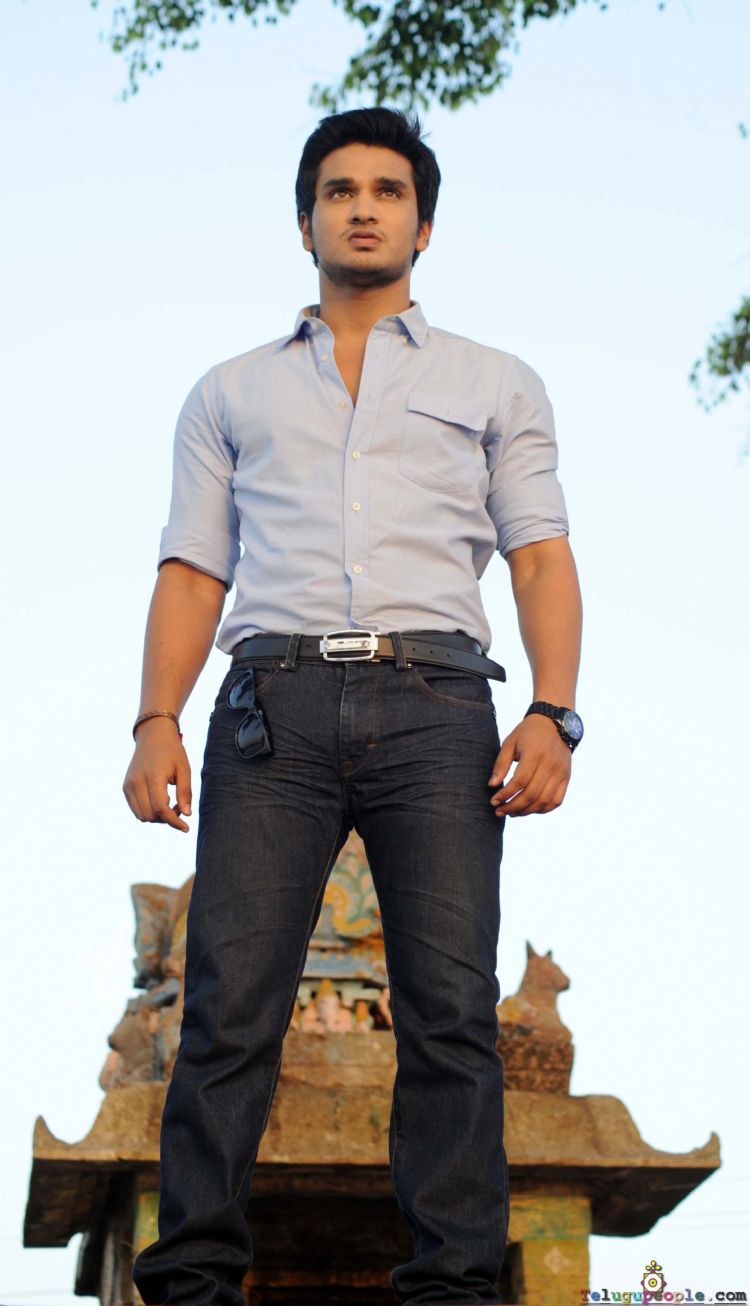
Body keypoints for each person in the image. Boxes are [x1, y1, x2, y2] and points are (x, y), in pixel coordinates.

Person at [125, 106, 583, 1306]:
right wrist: (156, 718)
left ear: (424, 227)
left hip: (438, 703)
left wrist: (555, 711)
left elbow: (539, 554)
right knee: (228, 1008)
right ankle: (192, 1282)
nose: (364, 208)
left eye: (388, 191)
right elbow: (193, 565)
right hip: (268, 708)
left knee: (451, 1011)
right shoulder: (229, 392)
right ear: (306, 222)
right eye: (339, 191)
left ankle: (454, 1285)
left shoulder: (495, 381)